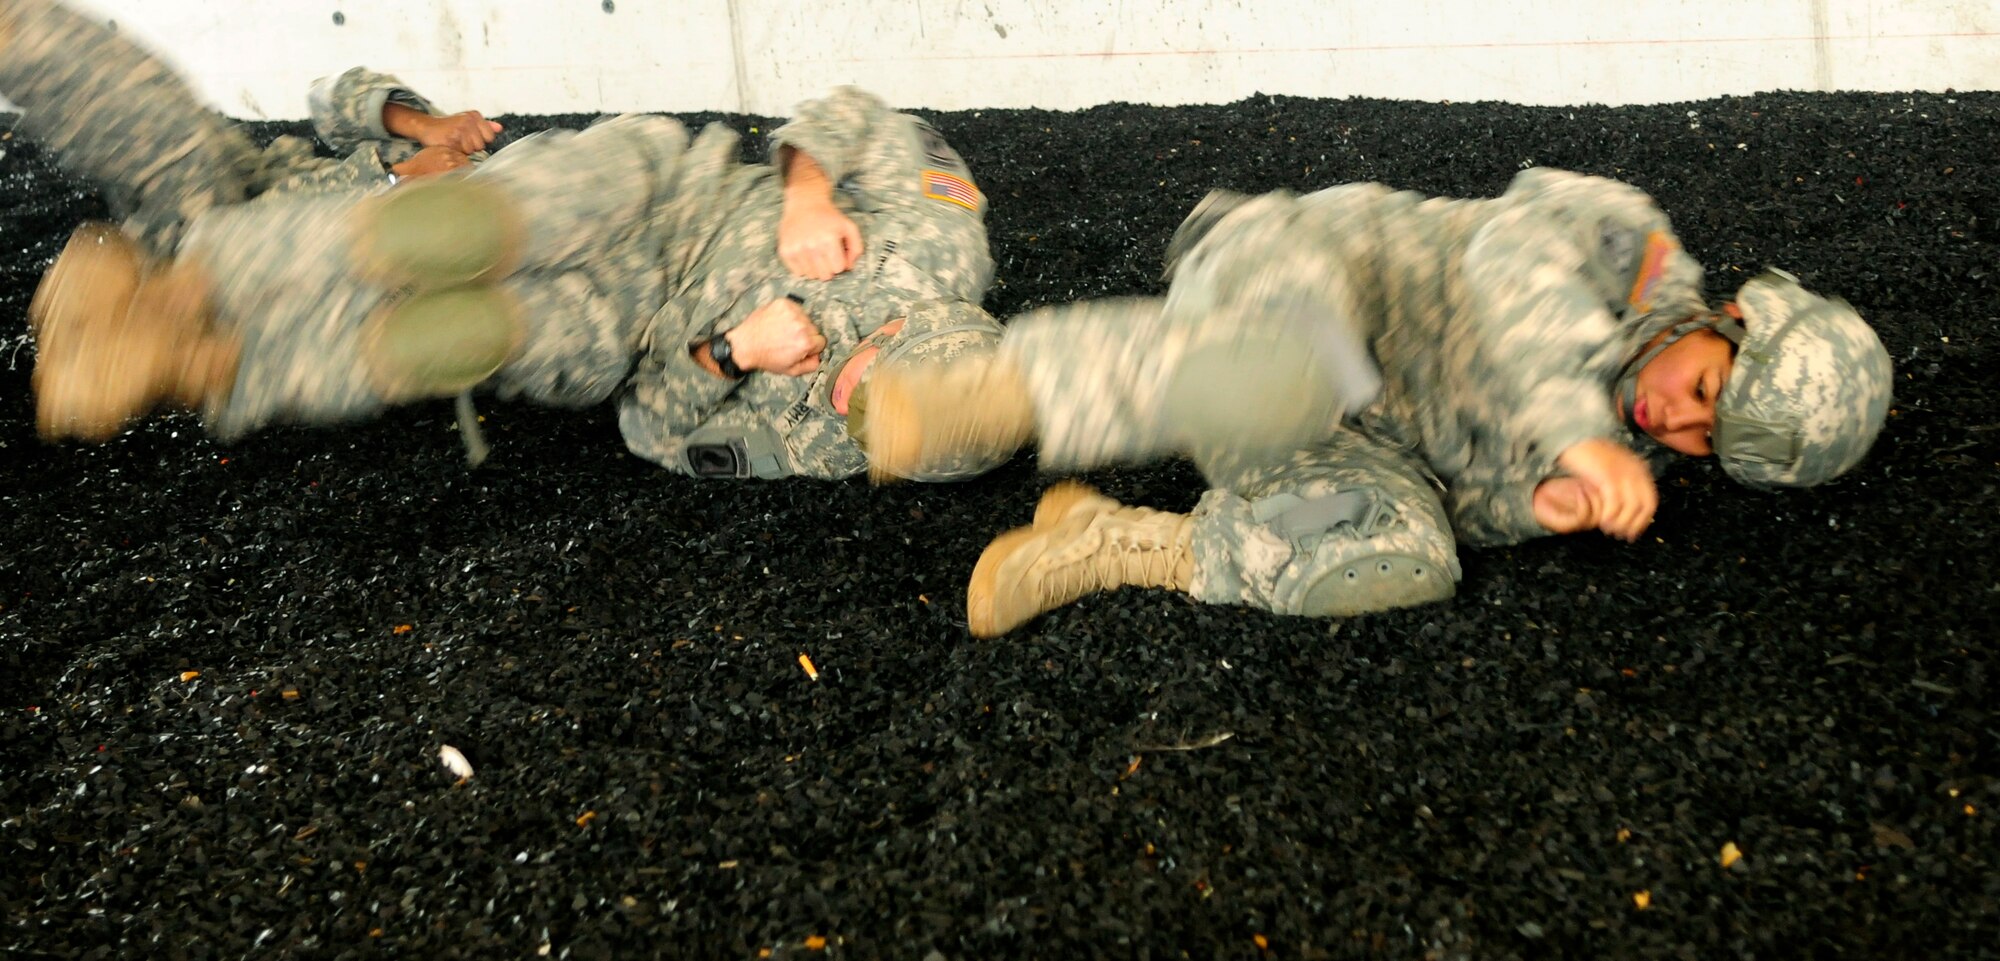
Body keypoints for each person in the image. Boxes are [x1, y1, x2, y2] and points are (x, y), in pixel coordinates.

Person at [11, 0, 1008, 482]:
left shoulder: (833, 438)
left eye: (851, 413)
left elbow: (657, 431)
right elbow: (855, 111)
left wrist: (727, 355)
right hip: (654, 195)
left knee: (462, 337)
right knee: (502, 217)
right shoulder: (943, 244)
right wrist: (805, 196)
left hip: (623, 320)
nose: (838, 382)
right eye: (863, 368)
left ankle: (202, 355)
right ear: (919, 330)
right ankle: (178, 273)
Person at [859, 173, 1894, 636]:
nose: (1678, 425)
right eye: (1704, 390)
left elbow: (1457, 501)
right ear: (1727, 318)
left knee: (1386, 557)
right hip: (1297, 288)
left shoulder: (1639, 454)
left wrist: (1532, 512)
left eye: (1705, 440)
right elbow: (1510, 264)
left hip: (1337, 438)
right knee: (1296, 371)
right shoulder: (1628, 245)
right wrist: (1577, 437)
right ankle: (1007, 393)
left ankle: (1116, 541)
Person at [0, 0, 502, 256]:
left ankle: (18, 41)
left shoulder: (481, 247)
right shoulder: (476, 163)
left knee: (167, 135)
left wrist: (396, 184)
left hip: (232, 247)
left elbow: (310, 249)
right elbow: (328, 96)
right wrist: (425, 125)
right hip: (249, 176)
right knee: (165, 95)